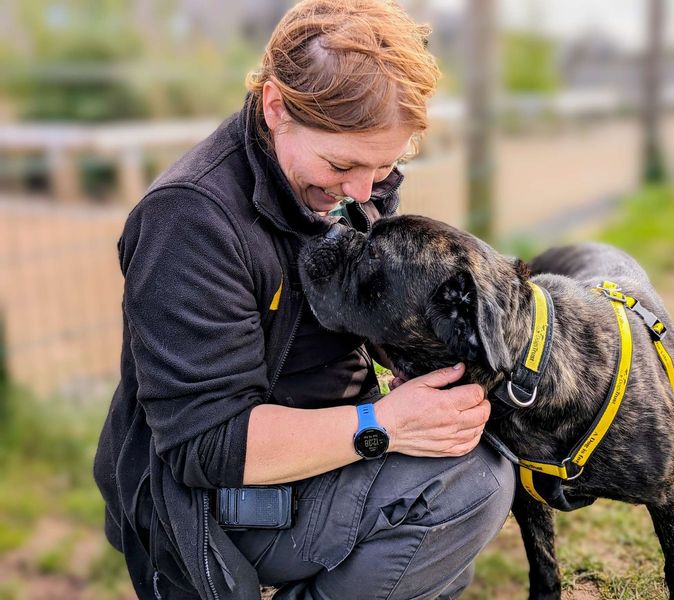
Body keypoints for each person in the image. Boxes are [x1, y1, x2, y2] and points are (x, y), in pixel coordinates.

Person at [93, 1, 515, 598]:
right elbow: (204, 446)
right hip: (207, 498)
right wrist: (382, 425)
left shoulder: (341, 184)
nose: (363, 192)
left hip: (323, 429)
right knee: (468, 485)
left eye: (386, 167)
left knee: (475, 465)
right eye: (342, 164)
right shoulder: (189, 221)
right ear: (275, 107)